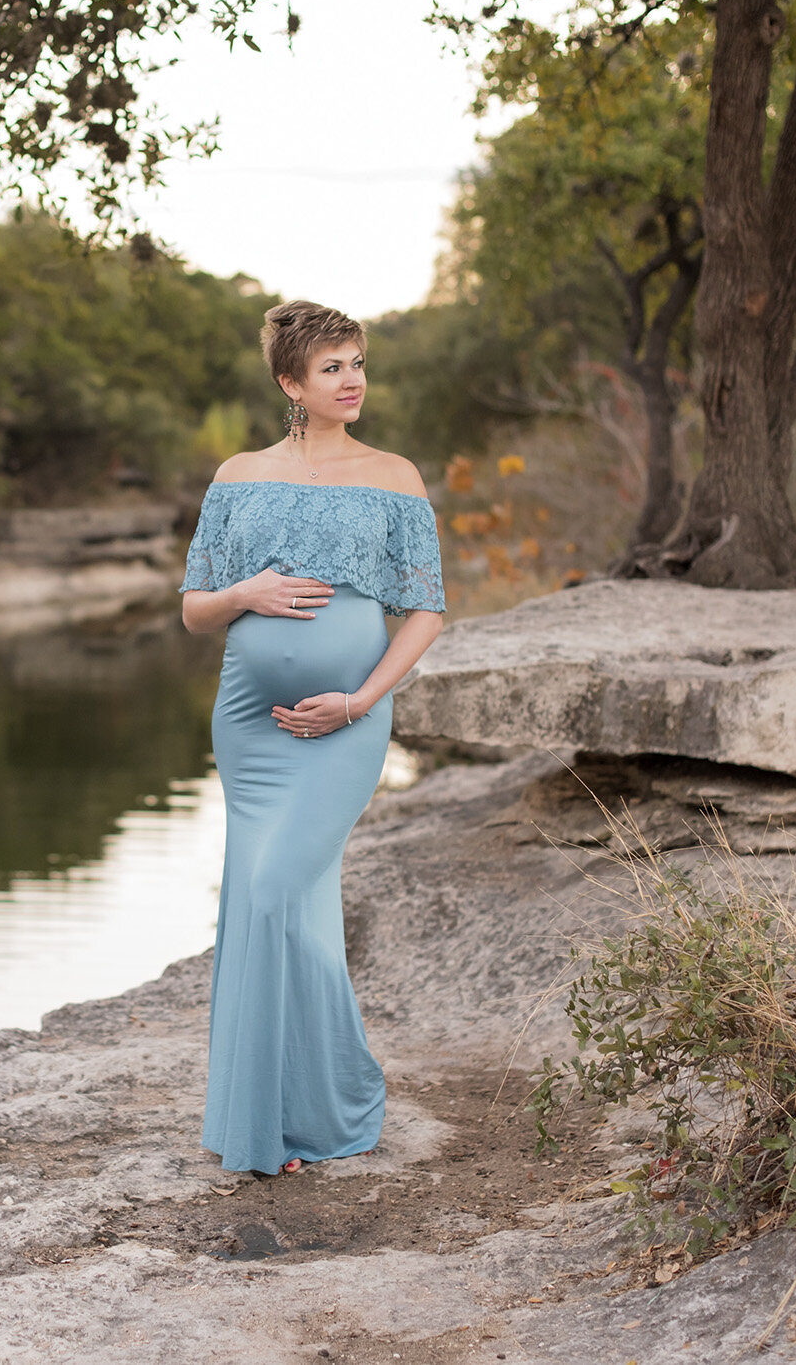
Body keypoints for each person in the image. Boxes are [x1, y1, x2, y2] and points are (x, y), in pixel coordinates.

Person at [179, 300, 446, 1175]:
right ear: (291, 382)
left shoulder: (395, 476)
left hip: (346, 725)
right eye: (332, 366)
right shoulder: (238, 474)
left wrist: (361, 699)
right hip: (250, 722)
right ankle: (274, 1122)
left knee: (270, 895)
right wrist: (246, 595)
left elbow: (427, 613)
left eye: (358, 361)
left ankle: (323, 1102)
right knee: (279, 910)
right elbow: (193, 609)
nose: (353, 379)